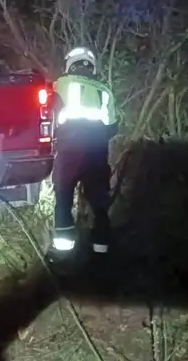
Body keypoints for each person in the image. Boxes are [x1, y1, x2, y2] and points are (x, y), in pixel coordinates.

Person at [49, 46, 118, 257]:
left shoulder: (60, 84)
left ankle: (64, 253)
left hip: (69, 152)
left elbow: (44, 113)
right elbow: (113, 128)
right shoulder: (105, 91)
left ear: (70, 64)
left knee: (63, 197)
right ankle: (101, 250)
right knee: (99, 202)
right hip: (97, 152)